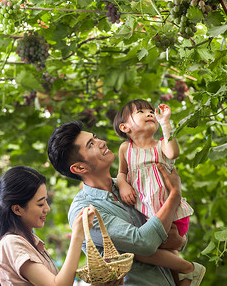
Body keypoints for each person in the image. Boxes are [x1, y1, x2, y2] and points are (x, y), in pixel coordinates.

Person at [48, 120, 205, 286]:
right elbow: (144, 243)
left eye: (95, 138)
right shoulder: (85, 210)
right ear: (79, 168)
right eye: (91, 144)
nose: (102, 142)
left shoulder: (132, 184)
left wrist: (180, 240)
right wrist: (175, 194)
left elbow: (171, 228)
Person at [113, 99, 204, 284]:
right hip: (149, 214)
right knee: (169, 258)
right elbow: (121, 173)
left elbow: (173, 154)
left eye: (150, 110)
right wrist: (123, 185)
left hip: (173, 213)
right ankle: (187, 276)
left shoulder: (161, 144)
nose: (149, 113)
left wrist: (165, 123)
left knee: (143, 251)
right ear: (125, 127)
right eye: (140, 111)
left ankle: (191, 269)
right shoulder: (125, 149)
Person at [0, 166, 117, 286]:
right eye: (40, 204)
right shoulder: (11, 243)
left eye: (46, 201)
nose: (47, 208)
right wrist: (78, 235)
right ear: (17, 209)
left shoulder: (29, 242)